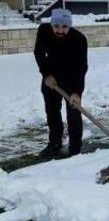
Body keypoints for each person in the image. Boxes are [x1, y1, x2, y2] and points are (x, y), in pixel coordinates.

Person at [34, 8, 88, 157]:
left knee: (73, 113)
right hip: (51, 78)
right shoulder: (44, 30)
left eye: (65, 26)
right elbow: (38, 52)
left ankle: (75, 150)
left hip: (71, 79)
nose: (60, 30)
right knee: (52, 111)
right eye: (56, 26)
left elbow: (81, 67)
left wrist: (77, 92)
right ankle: (55, 143)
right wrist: (46, 75)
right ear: (51, 24)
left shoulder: (79, 39)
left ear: (70, 25)